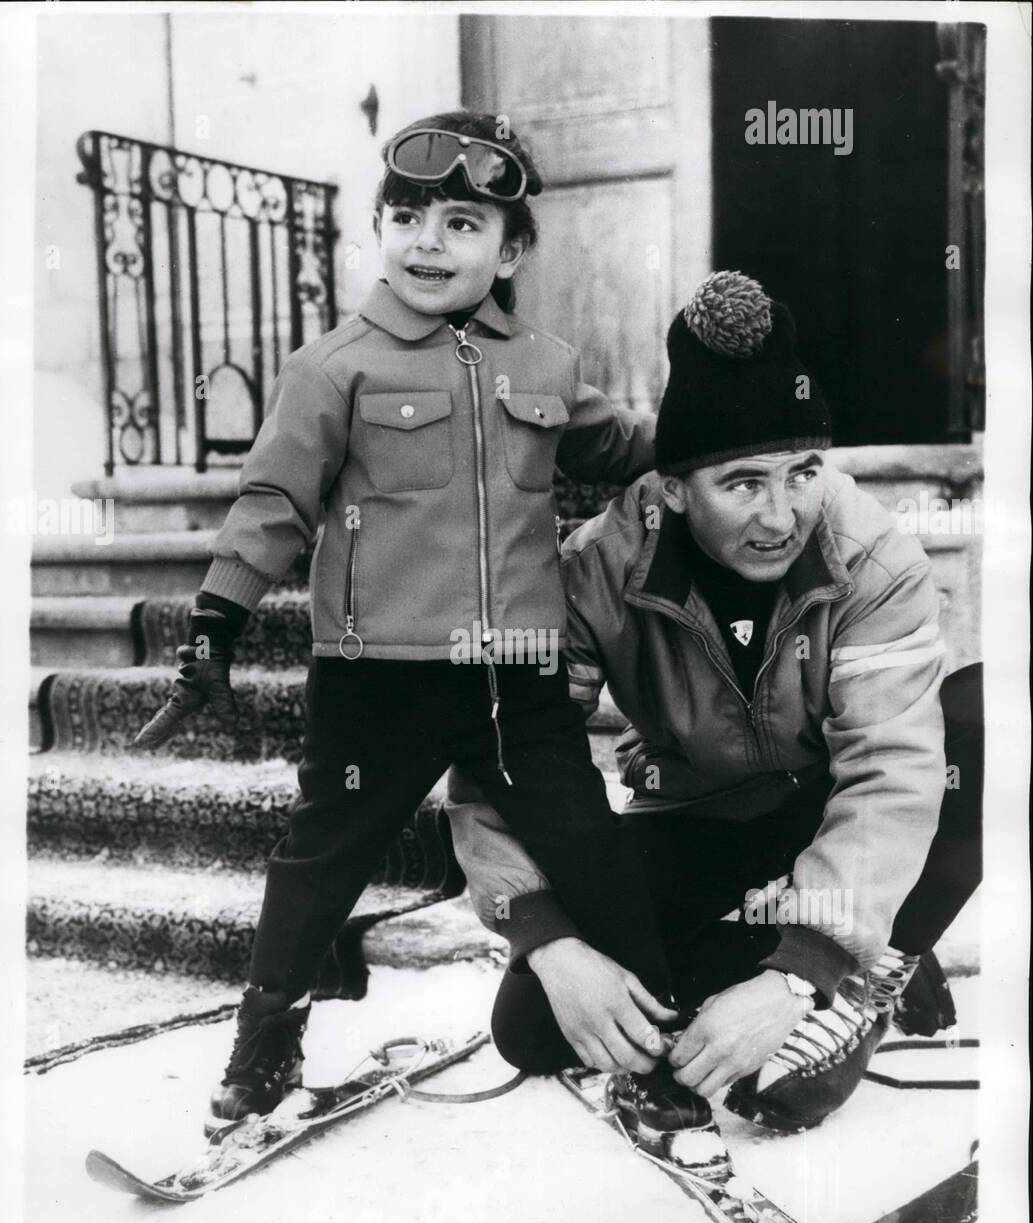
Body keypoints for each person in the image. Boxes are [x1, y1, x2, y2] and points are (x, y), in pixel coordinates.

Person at [134, 111, 688, 1132]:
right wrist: (215, 623)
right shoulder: (332, 367)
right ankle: (262, 1052)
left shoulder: (549, 365)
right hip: (375, 675)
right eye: (406, 216)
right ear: (380, 229)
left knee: (593, 853)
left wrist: (717, 426)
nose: (427, 240)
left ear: (511, 248)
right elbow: (270, 505)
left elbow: (623, 446)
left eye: (461, 222)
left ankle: (655, 1055)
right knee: (321, 861)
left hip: (518, 678)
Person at [447, 270, 983, 1135]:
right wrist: (550, 942)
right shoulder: (593, 572)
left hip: (826, 804)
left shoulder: (873, 558)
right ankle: (788, 947)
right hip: (696, 813)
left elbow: (891, 772)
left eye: (803, 472)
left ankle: (869, 963)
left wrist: (798, 972)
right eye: (742, 484)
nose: (782, 515)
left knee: (982, 721)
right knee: (534, 1027)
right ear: (671, 489)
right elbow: (509, 755)